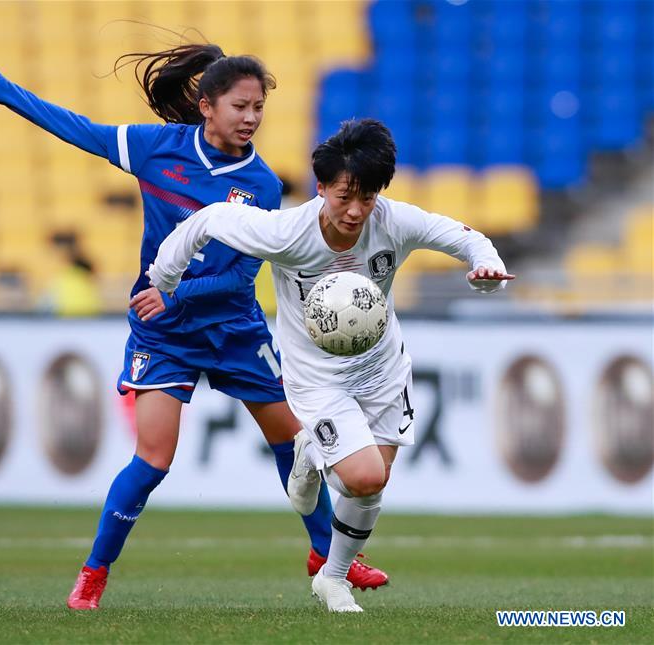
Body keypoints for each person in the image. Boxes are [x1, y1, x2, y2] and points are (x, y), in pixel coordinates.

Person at [0, 44, 388, 610]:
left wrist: (174, 290)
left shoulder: (259, 184)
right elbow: (76, 129)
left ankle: (325, 554)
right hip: (164, 334)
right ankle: (93, 573)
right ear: (206, 106)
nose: (252, 117)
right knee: (153, 459)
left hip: (233, 328)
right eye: (241, 105)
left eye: (259, 106)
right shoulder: (155, 148)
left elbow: (239, 279)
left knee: (294, 440)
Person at [149, 118, 515, 612]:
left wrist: (486, 267)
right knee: (360, 478)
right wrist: (164, 277)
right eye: (345, 196)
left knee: (372, 484)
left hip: (383, 369)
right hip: (318, 378)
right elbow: (208, 220)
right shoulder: (287, 233)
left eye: (367, 197)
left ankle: (333, 578)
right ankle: (314, 457)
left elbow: (462, 236)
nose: (356, 210)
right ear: (321, 187)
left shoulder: (393, 222)